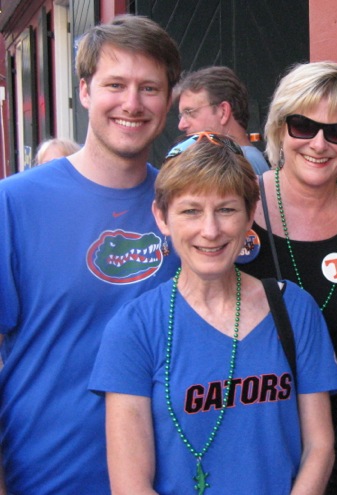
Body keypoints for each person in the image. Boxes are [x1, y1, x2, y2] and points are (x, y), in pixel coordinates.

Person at [89, 132, 337, 494]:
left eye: (226, 209)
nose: (210, 231)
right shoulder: (135, 328)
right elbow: (131, 484)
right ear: (162, 217)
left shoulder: (293, 309)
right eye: (191, 210)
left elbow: (319, 447)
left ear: (249, 214)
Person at [0, 15, 181, 494]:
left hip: (172, 477)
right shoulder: (13, 204)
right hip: (48, 476)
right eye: (115, 84)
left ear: (168, 100)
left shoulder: (188, 212)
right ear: (84, 90)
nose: (132, 103)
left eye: (149, 88)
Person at [240, 61, 337, 428]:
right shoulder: (234, 209)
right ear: (280, 127)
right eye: (304, 125)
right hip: (253, 435)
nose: (319, 143)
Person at [175, 66, 270, 174]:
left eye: (189, 112)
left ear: (223, 112)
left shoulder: (242, 162)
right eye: (181, 115)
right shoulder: (244, 160)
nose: (181, 125)